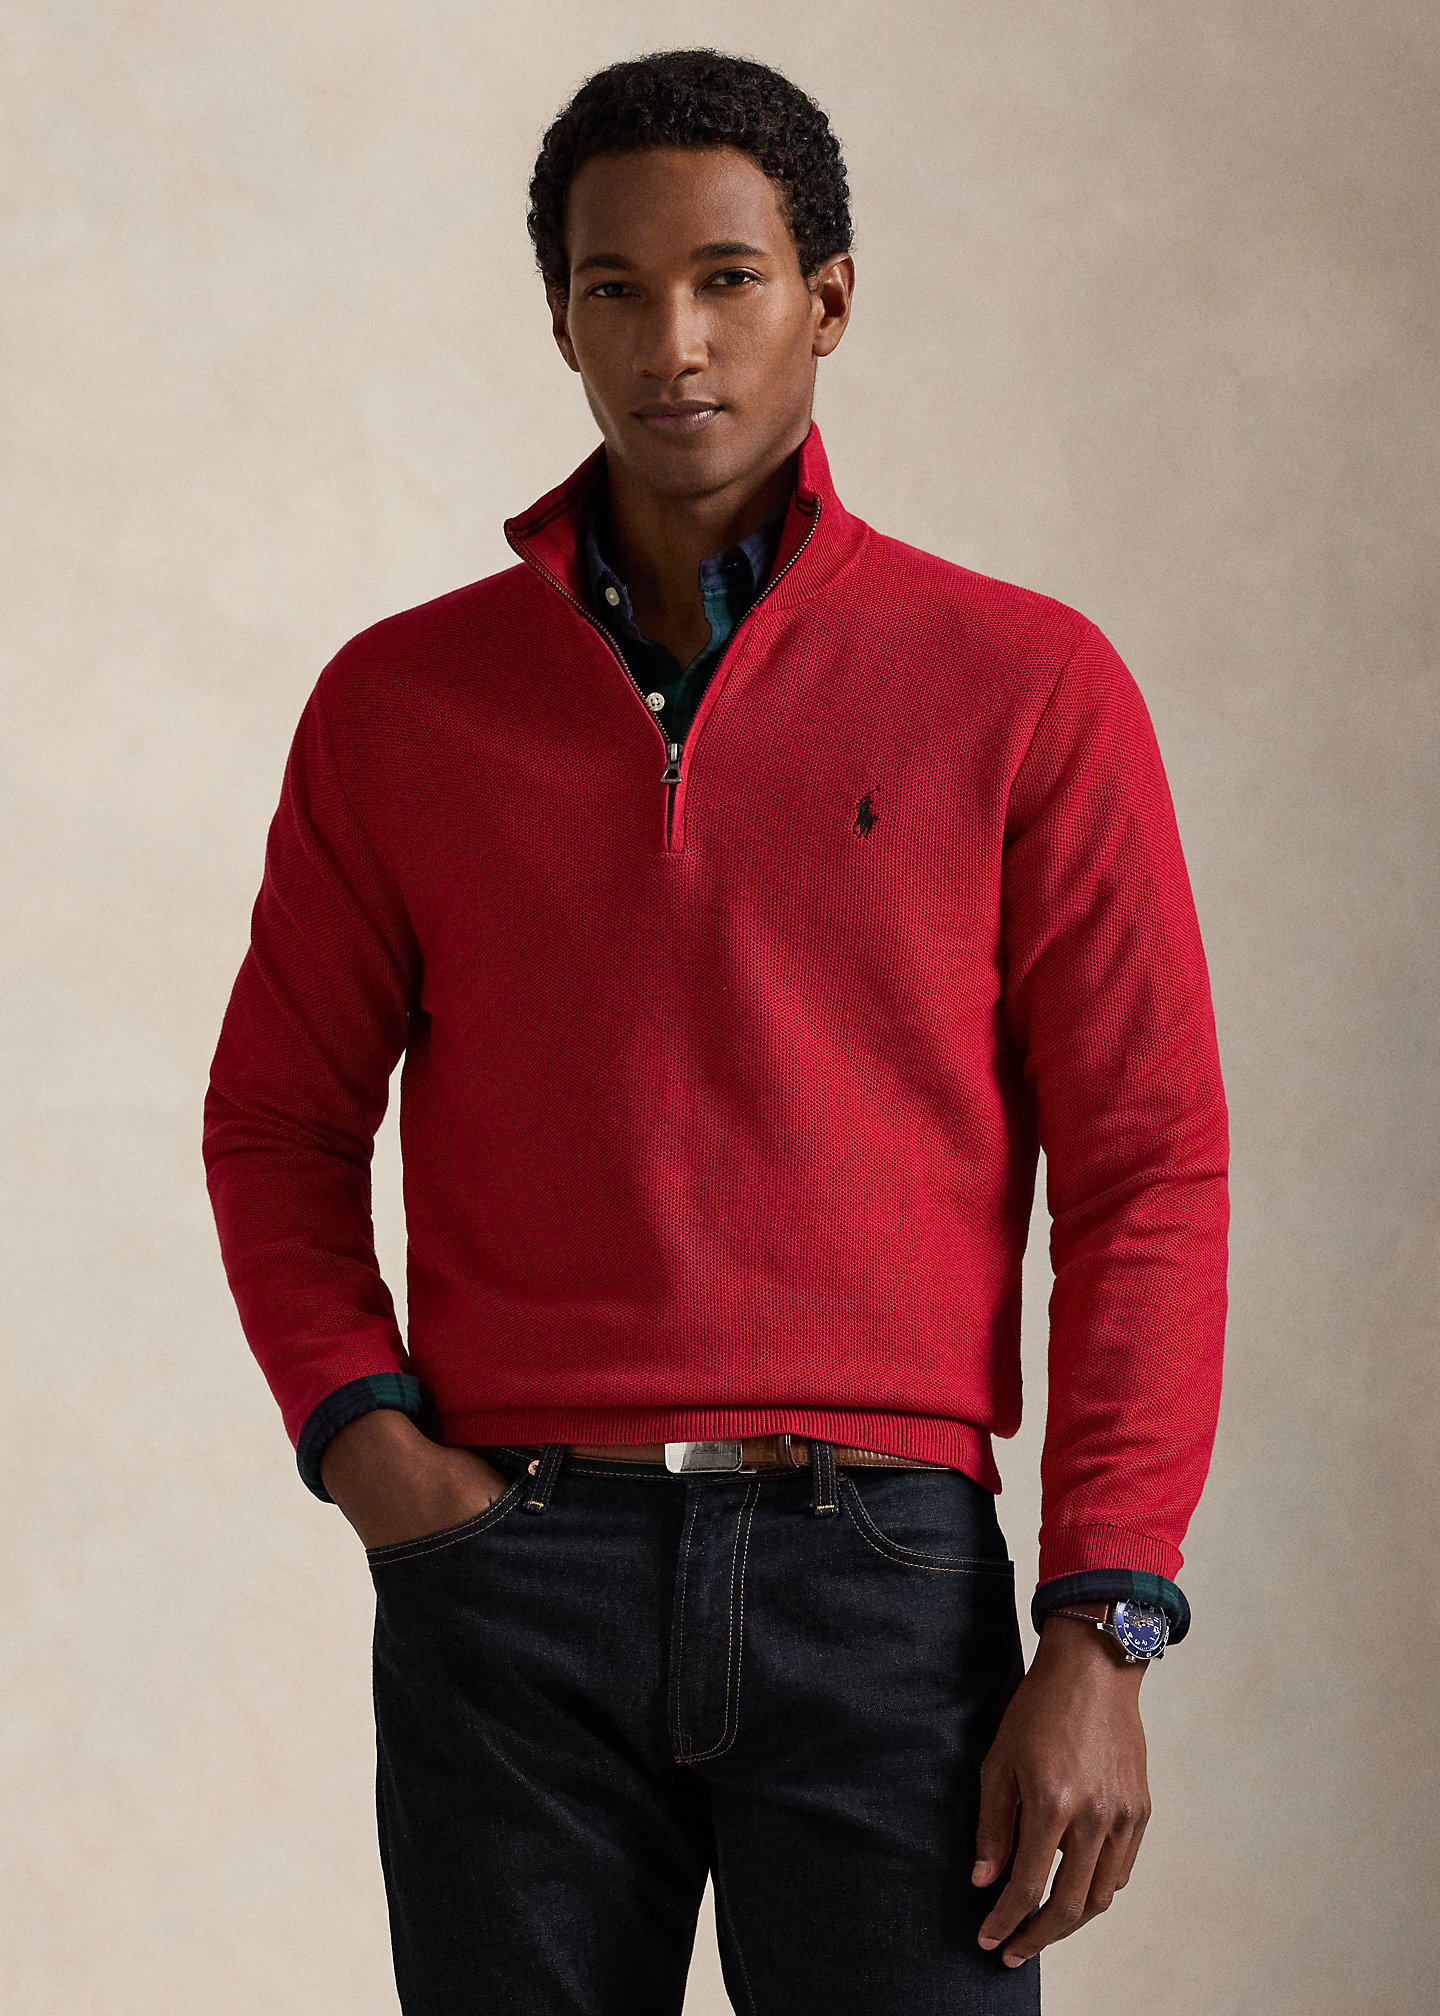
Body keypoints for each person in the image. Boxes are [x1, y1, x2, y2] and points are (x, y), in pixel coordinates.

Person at [203, 47, 1228, 2016]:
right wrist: (371, 1450)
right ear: (561, 318)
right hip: (510, 1579)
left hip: (885, 1581)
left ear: (827, 299)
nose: (670, 341)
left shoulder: (1025, 686)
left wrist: (1106, 1621)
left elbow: (1148, 1170)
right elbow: (275, 1120)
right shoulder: (400, 707)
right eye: (615, 287)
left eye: (727, 279)